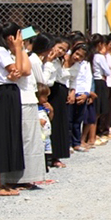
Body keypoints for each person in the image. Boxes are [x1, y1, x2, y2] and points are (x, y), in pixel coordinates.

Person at [0, 23, 30, 197]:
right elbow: (17, 70)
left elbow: (20, 72)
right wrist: (18, 48)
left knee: (8, 136)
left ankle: (1, 181)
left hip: (9, 92)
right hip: (3, 93)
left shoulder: (3, 52)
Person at [6, 33, 49, 185]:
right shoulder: (7, 55)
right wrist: (19, 49)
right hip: (20, 100)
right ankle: (17, 179)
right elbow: (25, 71)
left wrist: (21, 49)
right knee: (23, 140)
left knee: (32, 141)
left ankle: (31, 176)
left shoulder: (24, 54)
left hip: (30, 98)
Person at [43, 37, 72, 168]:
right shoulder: (45, 59)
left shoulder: (58, 61)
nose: (61, 51)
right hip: (47, 91)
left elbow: (61, 77)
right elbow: (46, 80)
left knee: (58, 124)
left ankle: (56, 155)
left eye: (64, 50)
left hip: (58, 91)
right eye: (59, 47)